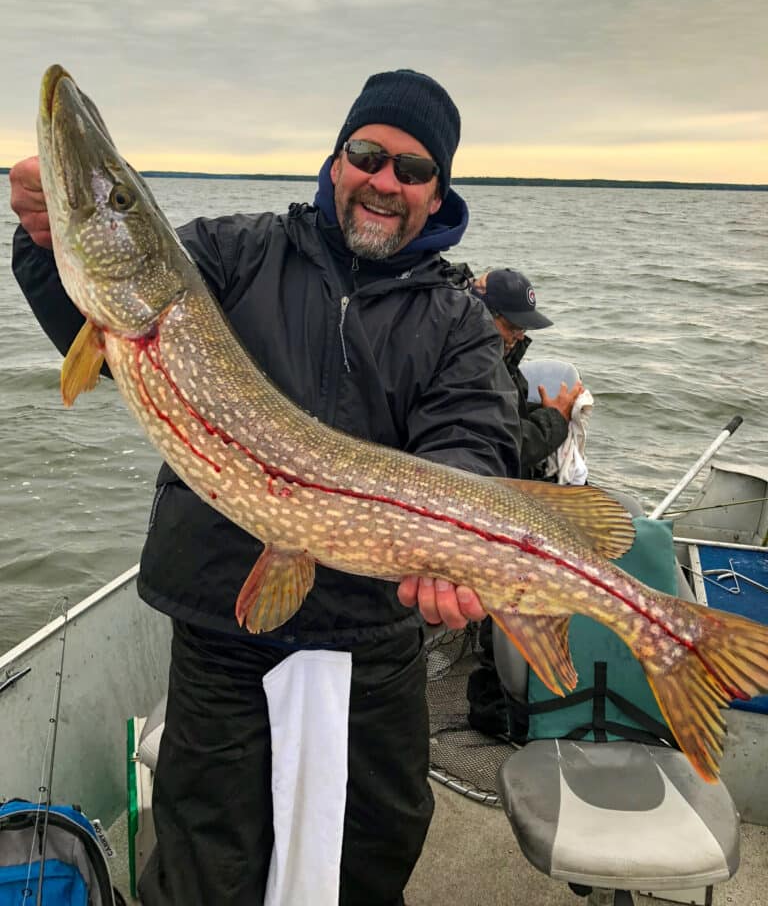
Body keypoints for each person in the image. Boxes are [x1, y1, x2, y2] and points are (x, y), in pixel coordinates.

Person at [10, 69, 521, 906]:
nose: (385, 181)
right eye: (369, 154)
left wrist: (451, 542)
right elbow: (93, 324)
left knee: (369, 856)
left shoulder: (458, 320)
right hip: (221, 633)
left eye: (414, 170)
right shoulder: (231, 252)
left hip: (373, 645)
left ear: (438, 194)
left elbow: (471, 439)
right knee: (207, 868)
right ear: (335, 160)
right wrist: (43, 239)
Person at [471, 268, 583, 480]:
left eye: (523, 328)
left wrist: (546, 409)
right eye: (512, 327)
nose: (520, 336)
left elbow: (506, 412)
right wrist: (555, 418)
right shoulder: (470, 366)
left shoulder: (501, 360)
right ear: (482, 313)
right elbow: (501, 442)